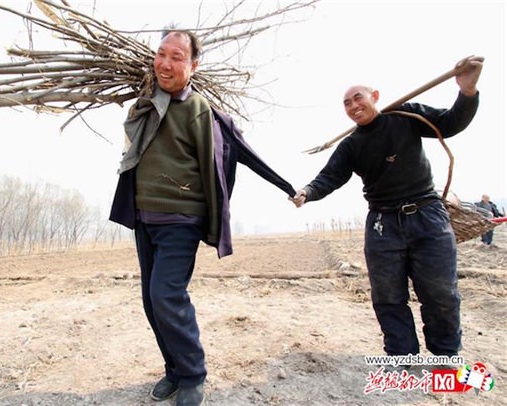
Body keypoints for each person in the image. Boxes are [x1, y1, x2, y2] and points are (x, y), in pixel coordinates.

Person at [109, 29, 295, 405]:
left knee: (166, 295)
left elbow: (238, 154)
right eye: (160, 54)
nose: (165, 63)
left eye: (176, 57)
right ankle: (174, 370)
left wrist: (288, 187)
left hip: (180, 219)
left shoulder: (200, 111)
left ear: (193, 65)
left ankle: (194, 374)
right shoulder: (147, 104)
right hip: (145, 218)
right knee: (151, 299)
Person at [291, 56, 484, 361]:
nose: (353, 106)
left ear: (375, 97)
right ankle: (401, 355)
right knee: (388, 296)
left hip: (427, 216)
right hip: (383, 224)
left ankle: (446, 355)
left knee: (440, 293)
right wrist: (306, 192)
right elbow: (329, 177)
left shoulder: (406, 116)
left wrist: (468, 91)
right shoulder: (351, 145)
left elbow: (450, 124)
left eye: (358, 98)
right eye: (346, 103)